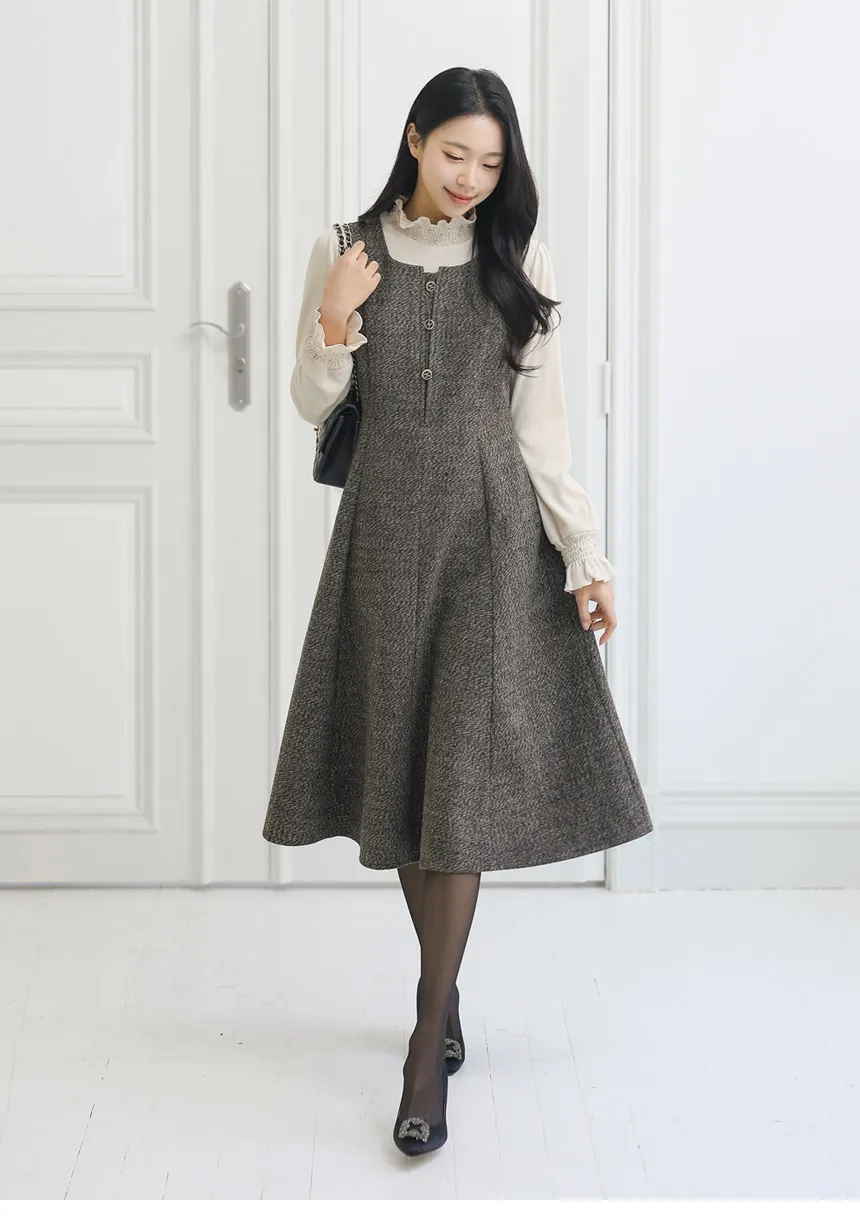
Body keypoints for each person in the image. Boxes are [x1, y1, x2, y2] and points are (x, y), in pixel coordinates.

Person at [262, 67, 653, 1157]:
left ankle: (425, 1039)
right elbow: (309, 401)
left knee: (463, 784)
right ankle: (445, 990)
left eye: (490, 162)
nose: (472, 178)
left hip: (492, 541)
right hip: (385, 538)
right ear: (412, 139)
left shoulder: (517, 257)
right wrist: (335, 317)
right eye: (454, 155)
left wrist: (583, 553)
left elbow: (541, 426)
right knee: (403, 768)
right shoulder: (346, 247)